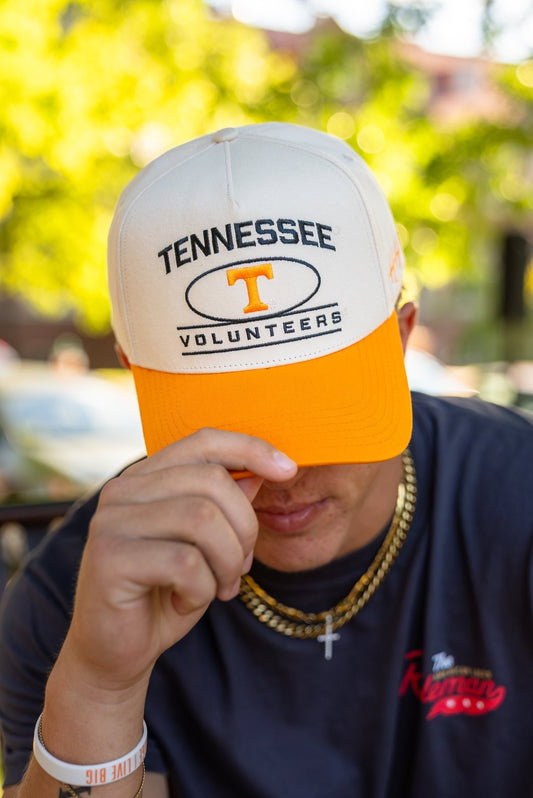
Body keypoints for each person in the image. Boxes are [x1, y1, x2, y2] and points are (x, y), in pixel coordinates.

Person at [1, 122, 533, 798]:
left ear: (399, 344)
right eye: (231, 423)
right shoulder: (81, 593)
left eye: (320, 408)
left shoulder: (517, 497)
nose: (283, 469)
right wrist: (100, 688)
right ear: (136, 375)